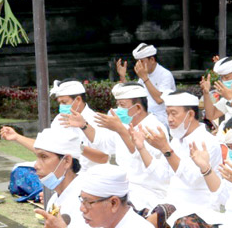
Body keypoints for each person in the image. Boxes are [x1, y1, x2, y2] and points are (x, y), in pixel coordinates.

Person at [70, 83, 170, 212]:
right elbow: (102, 143)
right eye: (117, 105)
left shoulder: (154, 128)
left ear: (138, 108)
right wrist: (84, 125)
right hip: (126, 187)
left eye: (122, 105)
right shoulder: (125, 125)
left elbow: (143, 157)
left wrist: (121, 130)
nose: (117, 109)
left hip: (148, 191)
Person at [140, 91, 223, 228]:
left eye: (174, 113)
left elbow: (192, 178)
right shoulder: (176, 141)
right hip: (172, 204)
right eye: (167, 114)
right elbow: (162, 176)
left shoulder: (208, 141)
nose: (169, 119)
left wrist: (166, 149)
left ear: (190, 115)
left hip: (198, 209)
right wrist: (141, 147)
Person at [0, 79, 109, 170]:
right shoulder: (60, 119)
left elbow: (104, 158)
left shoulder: (97, 120)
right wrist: (16, 137)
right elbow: (44, 147)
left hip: (90, 175)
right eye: (59, 103)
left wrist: (77, 147)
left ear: (78, 100)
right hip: (61, 172)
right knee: (20, 171)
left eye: (64, 102)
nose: (61, 106)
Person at [116, 43, 176, 125]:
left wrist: (145, 78)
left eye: (141, 61)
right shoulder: (144, 75)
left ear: (152, 60)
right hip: (143, 115)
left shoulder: (165, 74)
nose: (138, 65)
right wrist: (123, 77)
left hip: (161, 118)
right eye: (137, 62)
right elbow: (134, 93)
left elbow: (159, 100)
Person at [202, 56, 232, 124]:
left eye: (227, 77)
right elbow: (211, 115)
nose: (224, 81)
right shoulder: (230, 91)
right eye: (222, 78)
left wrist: (231, 99)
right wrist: (206, 93)